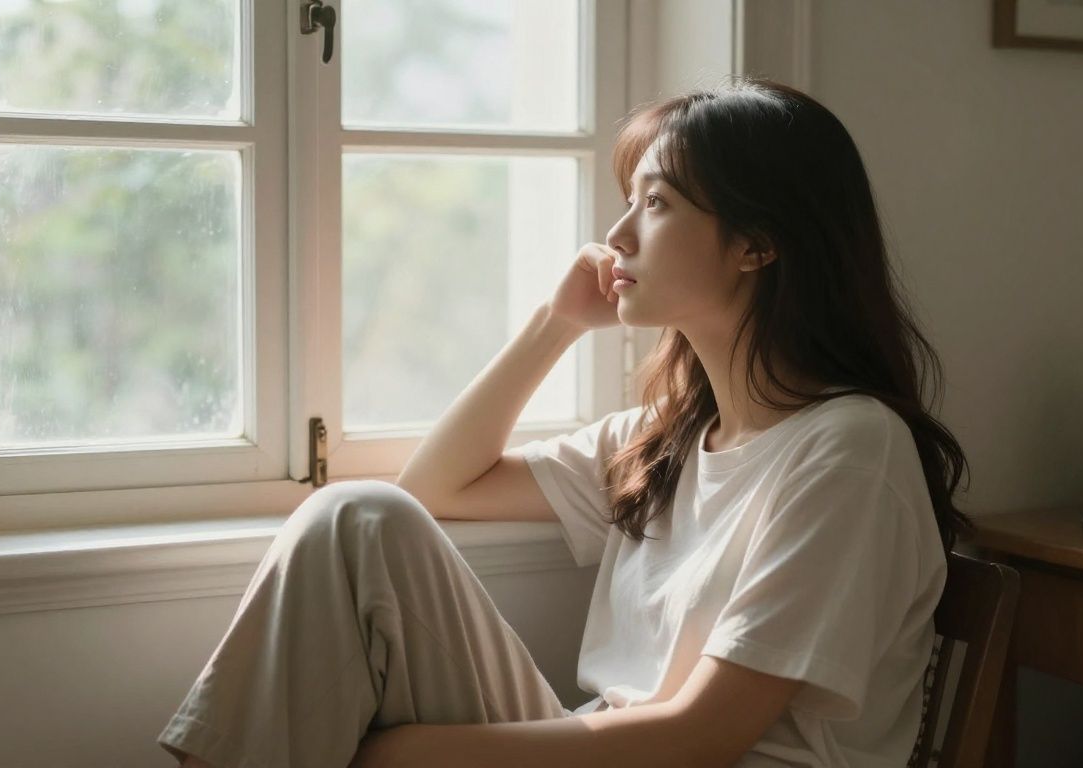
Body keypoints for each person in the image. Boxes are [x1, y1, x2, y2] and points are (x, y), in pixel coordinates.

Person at [157, 76, 976, 768]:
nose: (616, 238)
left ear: (756, 246)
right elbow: (436, 488)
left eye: (654, 204)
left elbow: (702, 736)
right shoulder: (670, 437)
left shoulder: (849, 450)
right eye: (629, 202)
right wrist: (556, 324)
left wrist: (395, 752)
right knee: (356, 515)